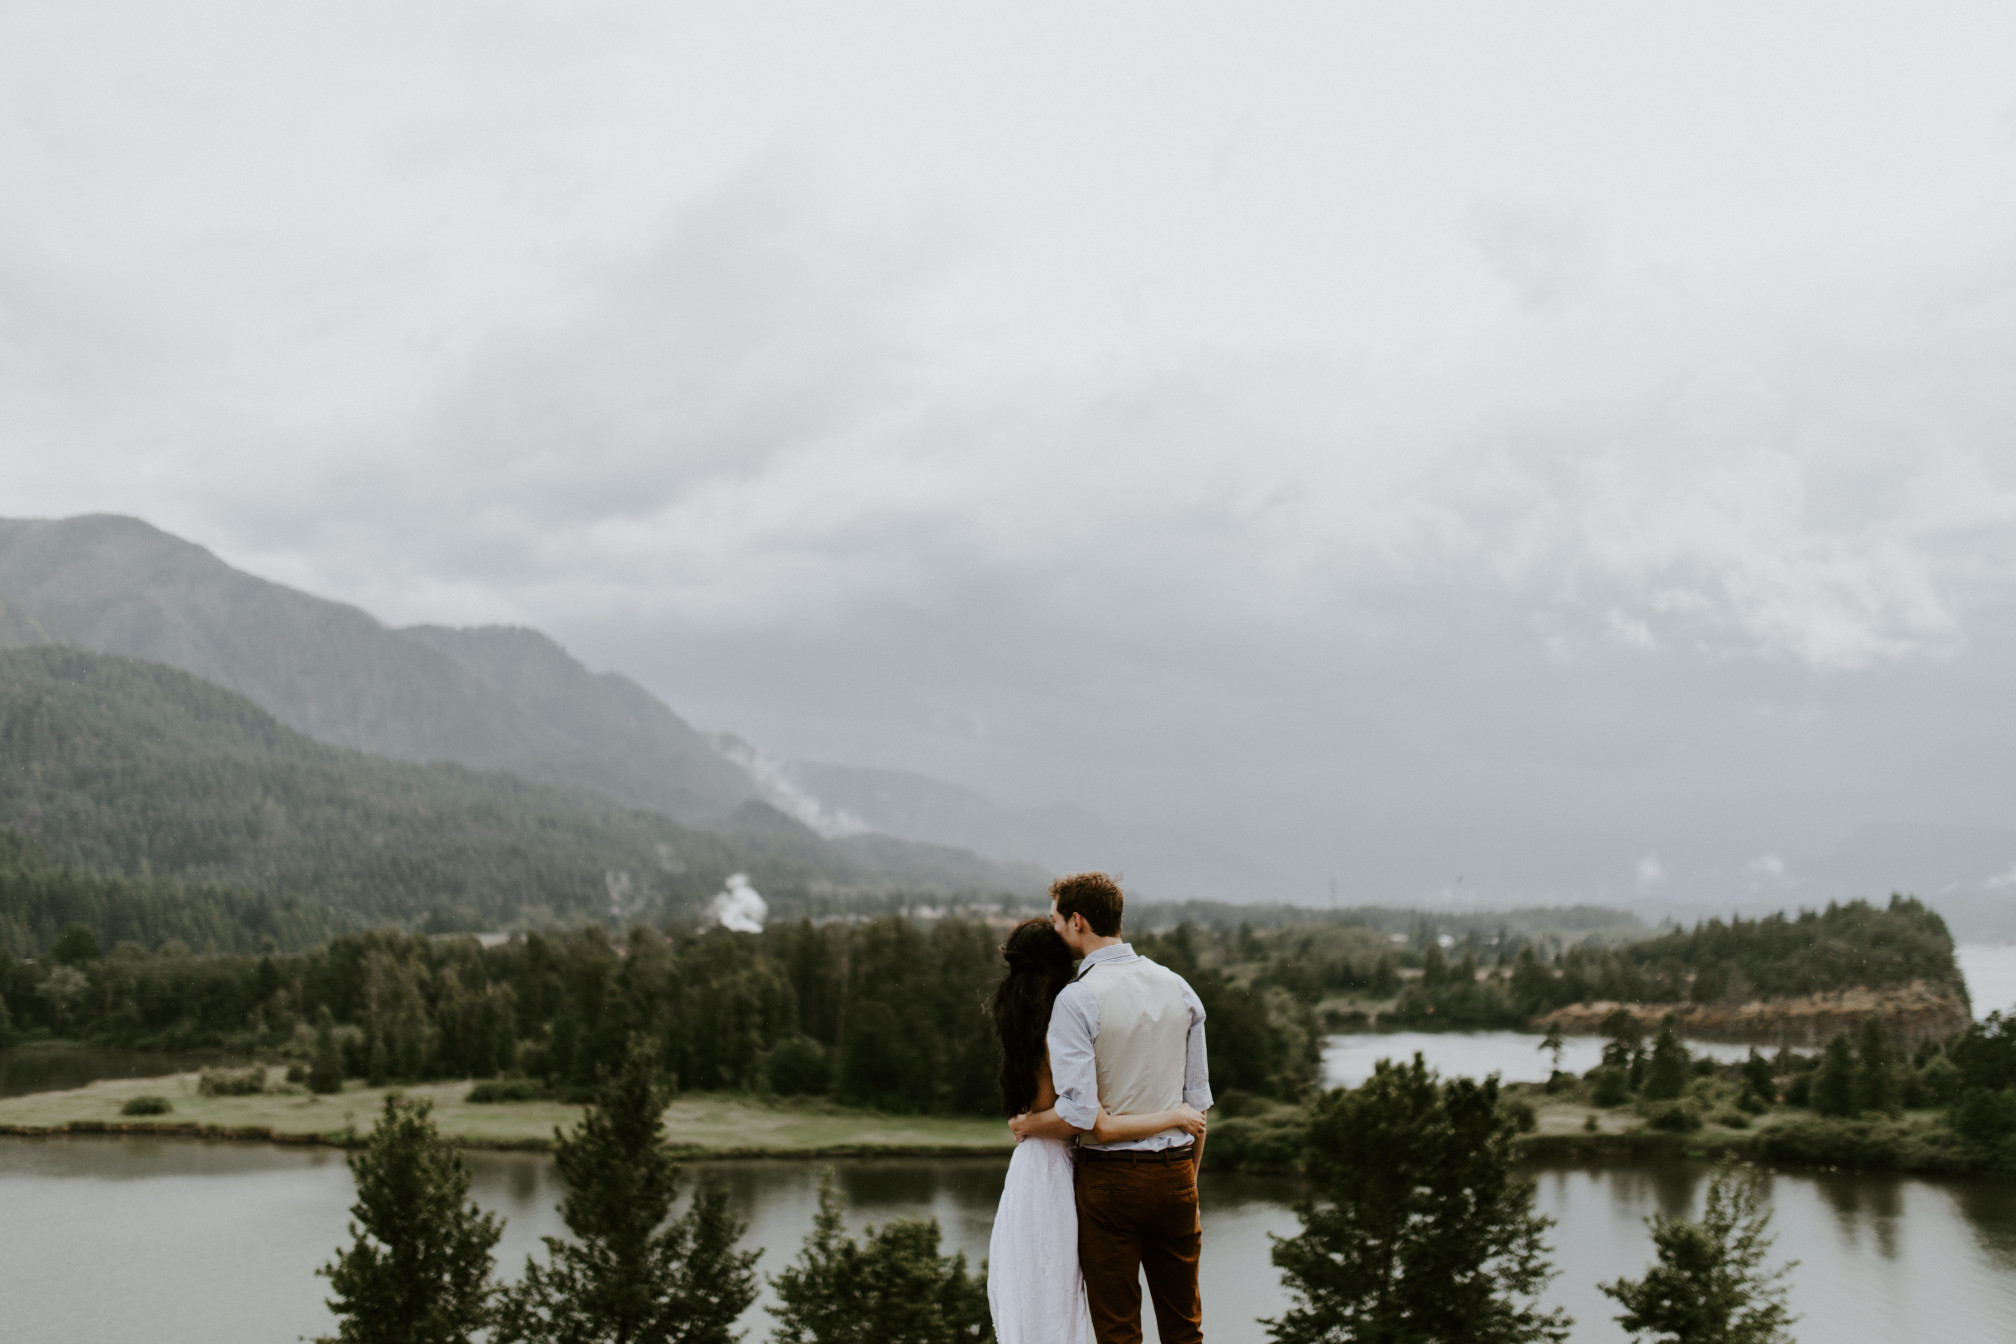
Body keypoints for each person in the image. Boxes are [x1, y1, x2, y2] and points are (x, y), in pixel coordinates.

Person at [1008, 873, 1213, 1344]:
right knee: (1186, 1329)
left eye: (1058, 920)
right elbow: (1199, 1105)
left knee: (1118, 1331)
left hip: (1109, 1182)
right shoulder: (1179, 988)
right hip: (1177, 1174)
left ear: (1077, 922)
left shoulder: (1077, 999)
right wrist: (1187, 1179)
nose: (1055, 930)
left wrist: (1027, 1123)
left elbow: (1080, 1117)